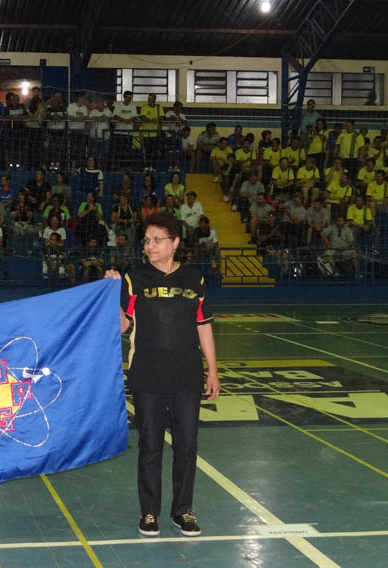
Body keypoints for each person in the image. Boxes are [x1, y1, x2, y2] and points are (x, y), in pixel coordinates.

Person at [106, 212, 219, 538]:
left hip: (187, 375)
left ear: (175, 242)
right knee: (150, 446)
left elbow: (204, 326)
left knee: (187, 446)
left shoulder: (194, 278)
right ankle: (149, 512)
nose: (150, 246)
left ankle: (183, 510)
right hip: (147, 375)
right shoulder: (134, 278)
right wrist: (110, 293)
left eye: (157, 240)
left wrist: (213, 371)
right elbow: (122, 326)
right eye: (147, 241)